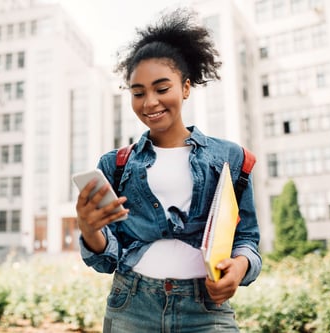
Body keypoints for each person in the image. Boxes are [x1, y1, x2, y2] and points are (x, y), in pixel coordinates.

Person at [75, 7, 262, 333]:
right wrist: (90, 232)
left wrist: (240, 267)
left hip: (205, 308)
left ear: (186, 88)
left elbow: (246, 238)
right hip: (132, 305)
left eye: (162, 89)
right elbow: (108, 258)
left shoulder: (230, 159)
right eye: (138, 93)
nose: (149, 102)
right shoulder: (116, 165)